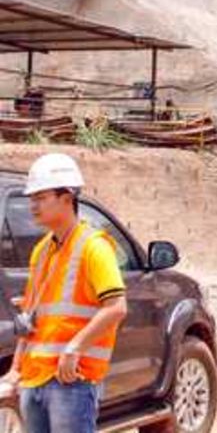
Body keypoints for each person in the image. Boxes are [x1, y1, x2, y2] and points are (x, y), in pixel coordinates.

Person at [0, 153, 127, 433]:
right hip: (34, 379)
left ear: (67, 197)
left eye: (41, 197)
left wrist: (75, 348)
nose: (33, 205)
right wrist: (16, 368)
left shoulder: (94, 247)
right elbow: (29, 318)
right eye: (32, 198)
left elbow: (117, 307)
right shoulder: (42, 251)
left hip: (72, 381)